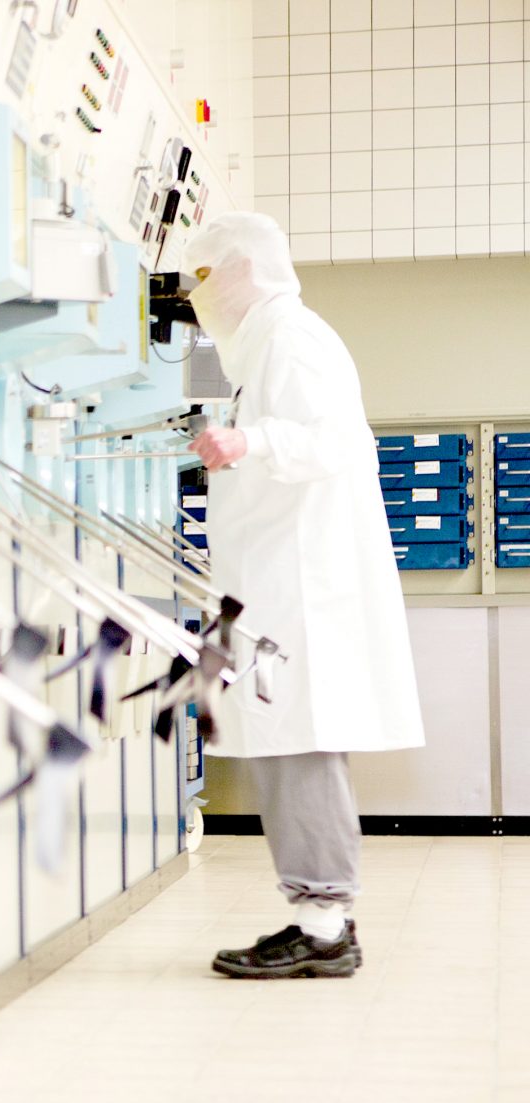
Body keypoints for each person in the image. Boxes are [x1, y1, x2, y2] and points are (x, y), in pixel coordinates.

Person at [179, 212, 424, 980]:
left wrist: (250, 441)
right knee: (287, 745)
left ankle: (323, 926)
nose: (197, 293)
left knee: (301, 744)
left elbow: (338, 439)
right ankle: (320, 916)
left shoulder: (292, 336)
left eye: (204, 276)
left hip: (306, 590)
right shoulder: (261, 346)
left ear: (242, 269)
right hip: (279, 587)